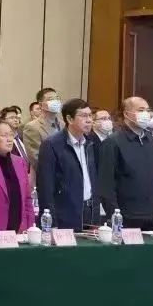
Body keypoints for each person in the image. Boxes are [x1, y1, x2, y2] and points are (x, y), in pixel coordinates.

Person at [96, 97, 153, 230]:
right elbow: (106, 185)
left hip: (151, 215)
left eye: (147, 110)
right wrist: (114, 214)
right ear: (126, 114)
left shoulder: (152, 142)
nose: (146, 114)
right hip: (125, 216)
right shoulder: (113, 142)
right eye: (141, 110)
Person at [37, 98, 100, 229]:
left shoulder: (92, 142)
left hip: (90, 212)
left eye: (90, 116)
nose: (89, 120)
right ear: (69, 119)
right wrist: (51, 223)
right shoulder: (52, 144)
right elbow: (45, 187)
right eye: (83, 116)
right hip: (65, 214)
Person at [20, 87, 62, 172]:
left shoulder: (64, 124)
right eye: (51, 99)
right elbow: (36, 159)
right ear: (40, 105)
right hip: (48, 175)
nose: (56, 101)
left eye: (57, 98)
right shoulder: (32, 127)